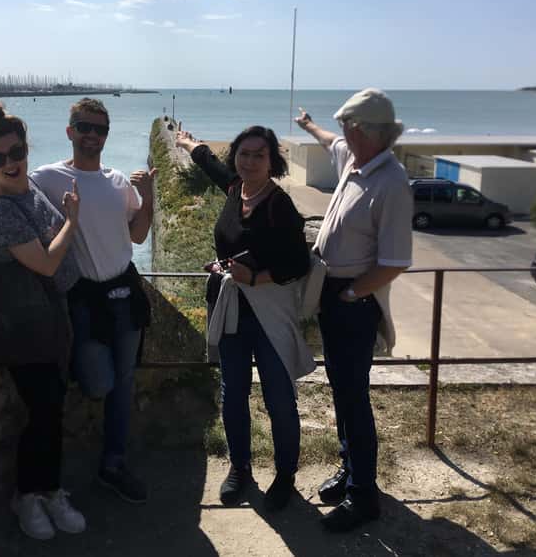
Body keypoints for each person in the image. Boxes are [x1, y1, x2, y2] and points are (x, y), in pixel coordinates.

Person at [175, 126, 315, 512]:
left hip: (268, 311)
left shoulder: (278, 204)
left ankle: (285, 476)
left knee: (279, 398)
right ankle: (240, 468)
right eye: (243, 153)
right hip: (233, 308)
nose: (250, 161)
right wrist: (189, 145)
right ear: (235, 156)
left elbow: (298, 263)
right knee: (232, 393)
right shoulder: (237, 188)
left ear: (272, 161)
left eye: (259, 155)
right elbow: (209, 164)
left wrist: (253, 277)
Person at [295, 88, 413, 532]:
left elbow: (396, 261)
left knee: (353, 397)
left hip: (352, 301)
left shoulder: (391, 182)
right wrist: (308, 125)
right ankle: (351, 471)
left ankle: (364, 495)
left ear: (363, 130)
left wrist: (351, 295)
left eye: (347, 125)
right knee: (342, 391)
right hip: (333, 293)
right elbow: (330, 142)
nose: (341, 132)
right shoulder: (355, 159)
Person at [30, 97, 156, 504]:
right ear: (70, 131)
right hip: (84, 303)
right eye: (84, 127)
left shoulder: (118, 182)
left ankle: (112, 465)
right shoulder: (47, 178)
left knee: (123, 385)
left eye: (100, 129)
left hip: (125, 295)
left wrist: (148, 195)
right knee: (98, 382)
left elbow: (138, 235)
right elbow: (12, 197)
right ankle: (58, 472)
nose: (92, 135)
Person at [0, 102, 85, 541]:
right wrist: (72, 222)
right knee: (42, 412)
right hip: (26, 327)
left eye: (15, 152)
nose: (10, 163)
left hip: (50, 321)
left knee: (52, 410)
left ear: (25, 147)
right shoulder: (3, 208)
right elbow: (45, 264)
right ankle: (27, 497)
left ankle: (51, 491)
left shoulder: (28, 190)